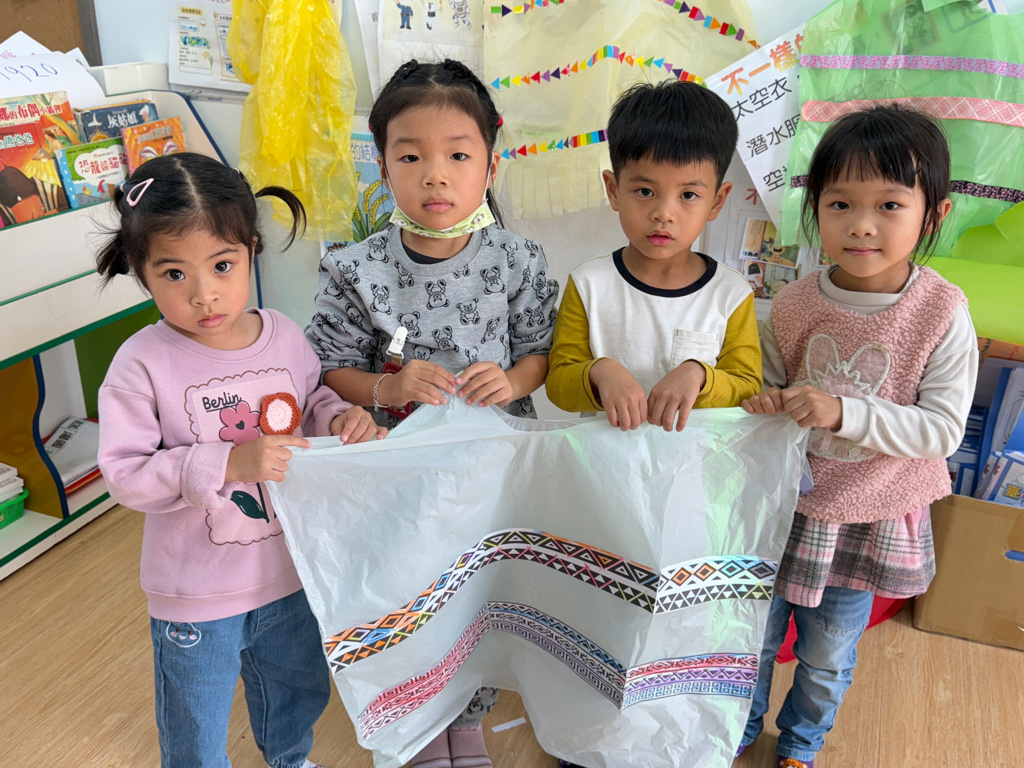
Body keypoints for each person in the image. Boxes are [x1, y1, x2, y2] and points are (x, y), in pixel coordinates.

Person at [305, 59, 559, 768]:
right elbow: (328, 366)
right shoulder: (355, 268)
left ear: (490, 165)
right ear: (384, 166)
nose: (435, 176)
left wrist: (512, 380)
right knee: (408, 591)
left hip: (490, 471)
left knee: (481, 592)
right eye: (411, 156)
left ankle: (468, 717)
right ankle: (418, 720)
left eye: (458, 156)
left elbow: (539, 352)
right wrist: (385, 391)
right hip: (400, 475)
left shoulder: (518, 259)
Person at [95, 152, 385, 768]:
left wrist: (339, 418)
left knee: (296, 688)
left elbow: (311, 400)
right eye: (174, 273)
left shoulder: (282, 333)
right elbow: (125, 474)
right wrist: (227, 463)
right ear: (141, 271)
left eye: (222, 265)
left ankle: (289, 758)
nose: (204, 294)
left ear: (251, 251)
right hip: (196, 589)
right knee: (195, 711)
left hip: (290, 568)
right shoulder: (140, 362)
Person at [737, 104, 977, 768]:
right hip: (785, 509)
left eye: (889, 205)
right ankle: (738, 730)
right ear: (815, 207)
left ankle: (801, 746)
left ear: (934, 214)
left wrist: (842, 411)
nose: (861, 224)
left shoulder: (940, 311)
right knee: (753, 639)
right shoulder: (793, 303)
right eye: (840, 203)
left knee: (826, 654)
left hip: (870, 512)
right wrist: (765, 402)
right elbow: (771, 390)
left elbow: (942, 430)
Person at [546, 79, 761, 432]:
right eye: (645, 191)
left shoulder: (731, 293)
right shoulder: (589, 283)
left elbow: (747, 385)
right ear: (614, 190)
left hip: (696, 462)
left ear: (716, 202)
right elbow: (558, 385)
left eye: (688, 195)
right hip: (601, 459)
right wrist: (599, 372)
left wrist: (700, 376)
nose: (664, 213)